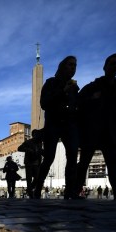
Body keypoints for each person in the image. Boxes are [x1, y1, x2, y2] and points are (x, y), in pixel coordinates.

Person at [76, 53, 116, 200]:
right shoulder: (92, 87)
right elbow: (78, 104)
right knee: (84, 162)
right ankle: (74, 190)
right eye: (113, 63)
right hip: (92, 130)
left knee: (114, 163)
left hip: (112, 131)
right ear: (105, 66)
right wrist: (91, 100)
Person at [33, 56, 80, 199]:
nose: (73, 67)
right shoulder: (50, 83)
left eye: (75, 65)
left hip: (70, 125)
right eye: (70, 65)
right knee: (49, 158)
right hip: (53, 125)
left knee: (72, 157)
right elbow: (44, 103)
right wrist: (63, 91)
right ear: (62, 67)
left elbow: (77, 105)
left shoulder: (74, 87)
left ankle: (70, 192)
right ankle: (37, 189)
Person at [18, 129, 43, 198]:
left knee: (37, 178)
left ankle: (30, 189)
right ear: (33, 135)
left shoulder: (39, 143)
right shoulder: (28, 142)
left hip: (37, 163)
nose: (37, 136)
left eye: (38, 135)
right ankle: (30, 193)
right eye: (36, 134)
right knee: (29, 179)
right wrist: (28, 150)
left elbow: (40, 151)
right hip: (29, 163)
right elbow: (19, 148)